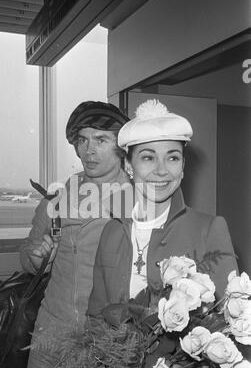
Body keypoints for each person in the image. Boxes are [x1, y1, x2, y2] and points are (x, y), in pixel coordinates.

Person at [19, 101, 130, 368]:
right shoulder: (56, 198)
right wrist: (34, 257)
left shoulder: (140, 198)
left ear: (120, 145)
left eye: (101, 139)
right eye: (82, 140)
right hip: (51, 328)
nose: (89, 150)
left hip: (108, 337)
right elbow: (26, 252)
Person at [87, 99, 238, 320]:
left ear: (183, 167)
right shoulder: (111, 231)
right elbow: (96, 315)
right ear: (128, 166)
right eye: (148, 157)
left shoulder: (210, 230)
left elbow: (231, 317)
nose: (161, 170)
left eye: (172, 158)